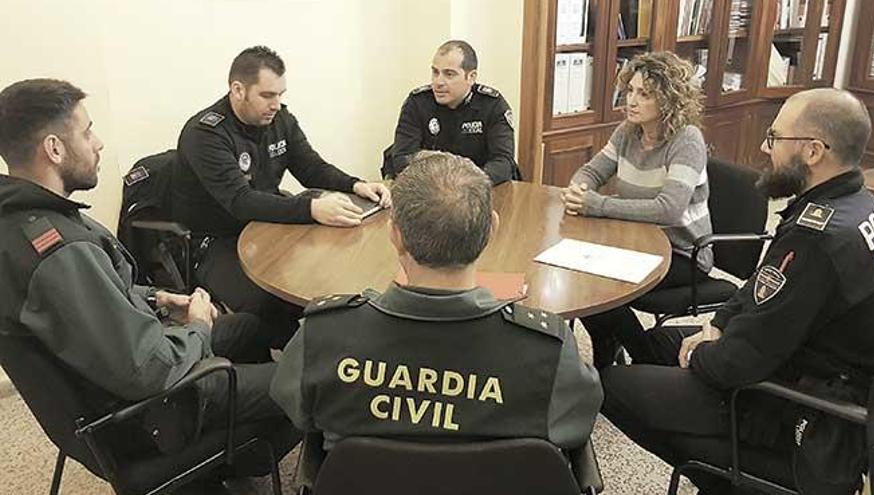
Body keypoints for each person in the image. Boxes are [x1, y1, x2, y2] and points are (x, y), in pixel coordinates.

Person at [0, 79, 298, 489]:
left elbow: (99, 294)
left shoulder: (23, 223)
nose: (98, 142)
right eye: (86, 132)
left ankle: (233, 448)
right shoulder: (57, 252)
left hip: (120, 384)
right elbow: (150, 370)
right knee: (307, 380)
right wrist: (197, 328)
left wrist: (158, 298)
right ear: (54, 149)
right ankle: (230, 446)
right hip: (152, 414)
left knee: (250, 327)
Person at [602, 88, 874, 494]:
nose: (765, 148)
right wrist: (717, 323)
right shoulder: (858, 204)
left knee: (611, 386)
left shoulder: (817, 239)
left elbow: (739, 364)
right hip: (805, 358)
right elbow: (763, 287)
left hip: (800, 404)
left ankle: (722, 479)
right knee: (661, 341)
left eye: (775, 138)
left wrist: (702, 353)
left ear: (814, 151)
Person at [270, 151, 602, 454]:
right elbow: (574, 424)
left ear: (394, 234)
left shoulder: (324, 335)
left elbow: (296, 409)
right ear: (491, 231)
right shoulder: (547, 351)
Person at [172, 45, 391, 348]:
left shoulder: (279, 120)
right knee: (272, 302)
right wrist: (312, 208)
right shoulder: (206, 134)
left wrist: (355, 185)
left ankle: (317, 353)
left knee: (323, 284)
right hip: (216, 241)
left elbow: (311, 167)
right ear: (238, 90)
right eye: (267, 95)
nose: (276, 104)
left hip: (269, 227)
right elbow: (241, 202)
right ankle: (277, 369)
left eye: (280, 95)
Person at [560, 51, 713, 368]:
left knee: (600, 288)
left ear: (669, 100)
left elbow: (669, 209)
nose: (631, 100)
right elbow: (590, 172)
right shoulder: (627, 131)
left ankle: (645, 356)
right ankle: (607, 350)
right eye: (630, 90)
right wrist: (580, 190)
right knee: (581, 276)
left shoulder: (687, 140)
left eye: (645, 94)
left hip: (683, 253)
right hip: (633, 240)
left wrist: (598, 205)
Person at [381, 40, 520, 185]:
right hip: (431, 189)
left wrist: (464, 184)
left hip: (478, 189)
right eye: (435, 72)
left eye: (449, 74)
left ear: (471, 77)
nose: (438, 82)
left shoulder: (492, 105)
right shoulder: (417, 103)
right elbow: (402, 158)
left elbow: (503, 162)